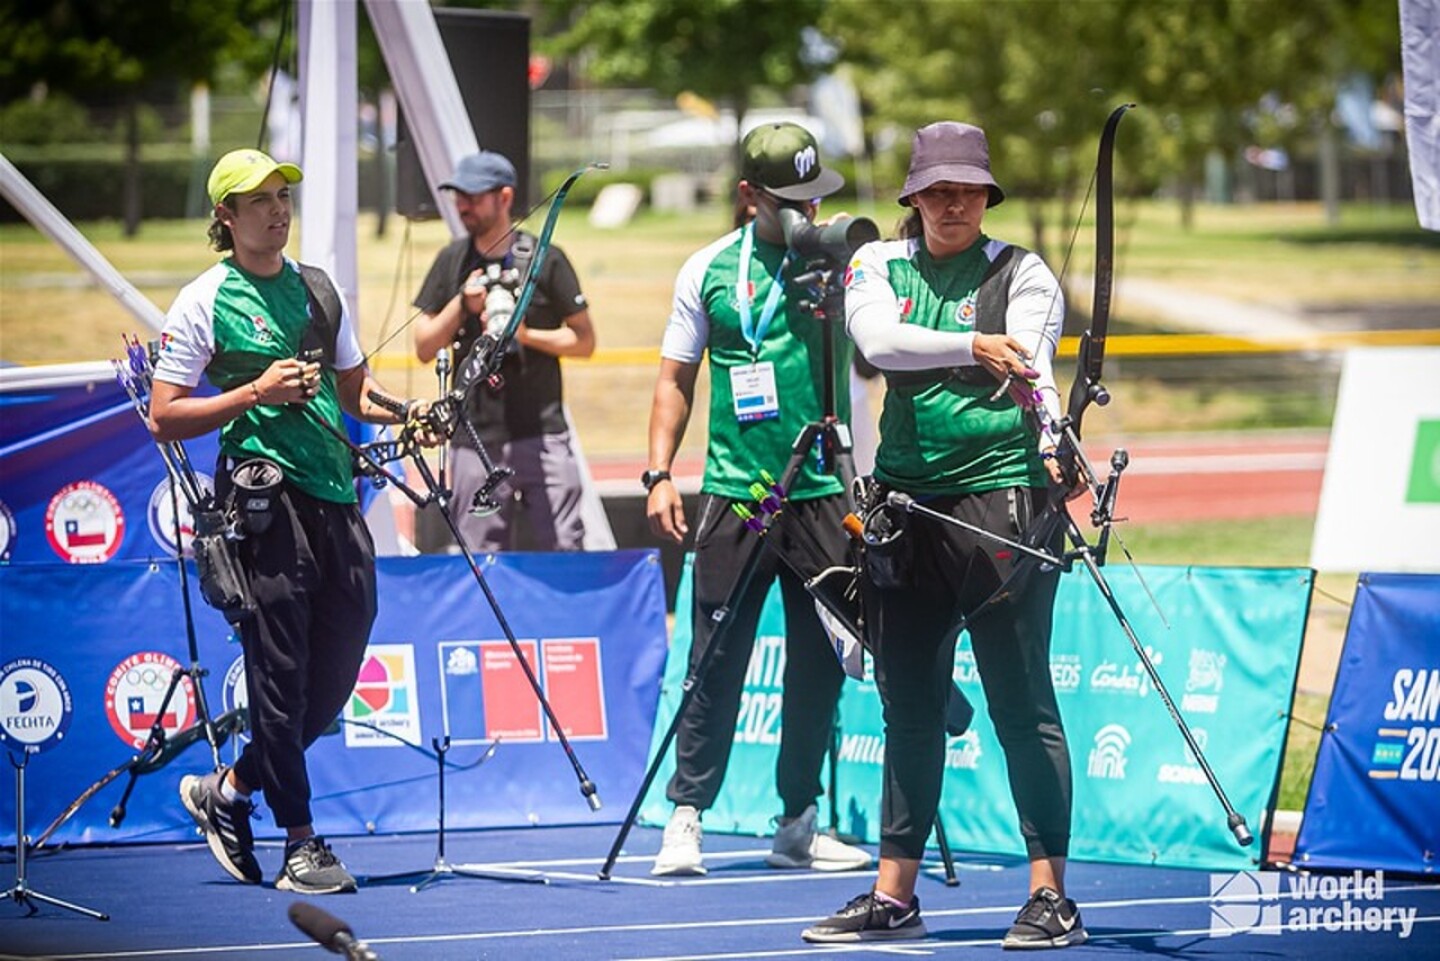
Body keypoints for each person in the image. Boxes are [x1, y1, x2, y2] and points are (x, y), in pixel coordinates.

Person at [801, 121, 1087, 947]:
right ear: (914, 197)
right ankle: (895, 896)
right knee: (910, 707)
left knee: (1020, 702)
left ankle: (1049, 895)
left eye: (967, 188)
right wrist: (967, 343)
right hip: (905, 513)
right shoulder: (877, 265)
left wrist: (1052, 439)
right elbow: (878, 340)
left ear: (987, 195)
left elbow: (1033, 368)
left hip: (1004, 507)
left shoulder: (1021, 271)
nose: (953, 201)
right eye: (937, 189)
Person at [151, 148, 436, 895]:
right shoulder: (203, 299)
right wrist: (255, 392)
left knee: (335, 667)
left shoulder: (319, 288)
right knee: (280, 674)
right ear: (226, 217)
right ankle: (302, 843)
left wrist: (411, 414)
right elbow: (164, 415)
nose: (277, 211)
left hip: (335, 498)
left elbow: (356, 390)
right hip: (260, 505)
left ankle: (231, 787)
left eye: (283, 197)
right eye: (258, 201)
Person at [644, 121, 872, 877]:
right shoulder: (708, 268)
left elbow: (879, 358)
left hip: (821, 494)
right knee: (715, 657)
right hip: (735, 496)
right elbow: (675, 378)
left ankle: (798, 820)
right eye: (791, 201)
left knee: (821, 663)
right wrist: (658, 471)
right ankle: (687, 816)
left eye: (816, 197)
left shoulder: (841, 267)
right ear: (750, 197)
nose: (807, 213)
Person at [412, 150, 596, 552]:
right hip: (474, 437)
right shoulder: (452, 260)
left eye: (474, 196)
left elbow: (584, 341)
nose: (463, 205)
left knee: (564, 549)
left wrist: (526, 335)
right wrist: (462, 304)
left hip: (542, 432)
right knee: (478, 557)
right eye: (458, 195)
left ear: (505, 197)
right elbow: (424, 346)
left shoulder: (546, 258)